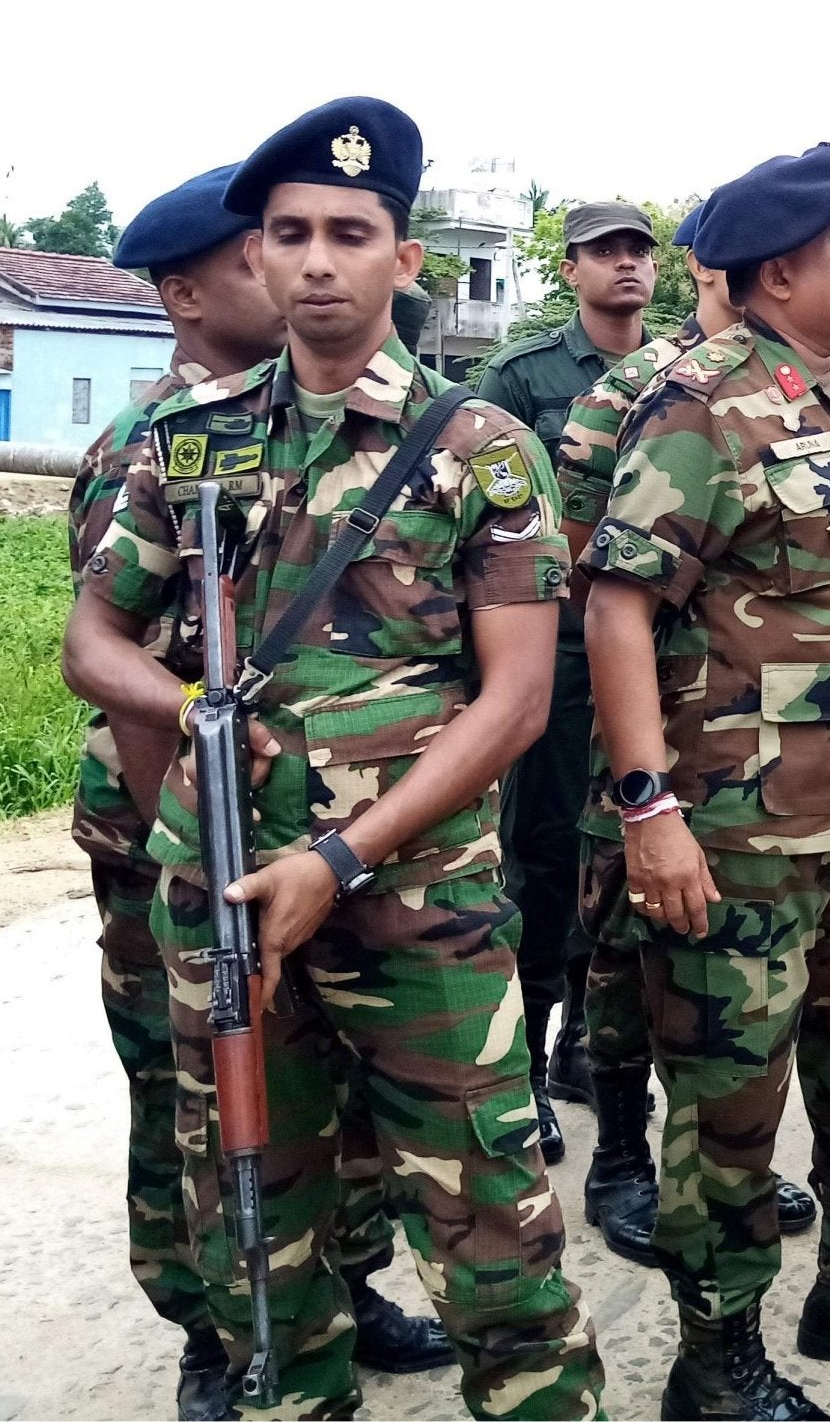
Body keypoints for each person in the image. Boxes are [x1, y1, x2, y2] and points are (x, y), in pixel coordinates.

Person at [61, 97, 603, 1418]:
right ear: (257, 254)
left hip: (417, 907)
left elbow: (516, 700)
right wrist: (191, 703)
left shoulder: (483, 451)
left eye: (350, 232)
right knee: (260, 1235)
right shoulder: (194, 440)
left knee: (496, 1245)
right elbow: (92, 631)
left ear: (402, 260)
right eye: (289, 231)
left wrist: (342, 851)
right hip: (230, 895)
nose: (315, 258)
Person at [582, 143, 830, 1420]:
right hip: (737, 831)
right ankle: (716, 1364)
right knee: (729, 1100)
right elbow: (617, 606)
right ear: (780, 268)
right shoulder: (703, 400)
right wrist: (647, 807)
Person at [86, 165, 448, 1416]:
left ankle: (328, 1290)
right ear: (190, 291)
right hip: (174, 834)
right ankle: (212, 1317)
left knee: (316, 1097)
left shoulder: (415, 433)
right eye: (266, 247)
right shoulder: (158, 446)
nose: (296, 268)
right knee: (192, 1101)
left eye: (339, 235)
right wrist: (174, 831)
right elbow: (121, 665)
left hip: (321, 841)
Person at [552, 190, 819, 1270]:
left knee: (727, 982)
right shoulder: (628, 398)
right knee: (621, 954)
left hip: (753, 754)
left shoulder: (800, 392)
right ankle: (619, 1156)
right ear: (710, 275)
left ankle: (713, 1153)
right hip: (647, 734)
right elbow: (583, 575)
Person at [478, 198, 660, 1161]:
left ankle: (589, 1039)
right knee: (543, 854)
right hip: (553, 653)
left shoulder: (675, 371)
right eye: (605, 252)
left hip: (638, 653)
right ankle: (527, 1055)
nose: (626, 265)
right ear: (573, 268)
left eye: (639, 250)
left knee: (617, 853)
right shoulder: (523, 374)